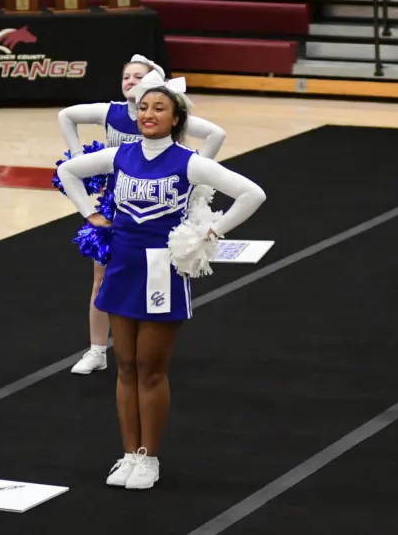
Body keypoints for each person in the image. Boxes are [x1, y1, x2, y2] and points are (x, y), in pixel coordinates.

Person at [56, 80, 265, 490]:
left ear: (176, 118)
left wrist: (212, 231)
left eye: (158, 108)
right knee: (125, 367)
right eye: (143, 107)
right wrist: (90, 213)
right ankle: (128, 454)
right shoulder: (120, 155)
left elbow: (251, 193)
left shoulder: (189, 162)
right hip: (121, 266)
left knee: (150, 369)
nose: (148, 114)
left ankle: (148, 457)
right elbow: (67, 171)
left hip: (160, 272)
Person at [57, 54, 227, 375]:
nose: (131, 82)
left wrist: (196, 181)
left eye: (139, 77)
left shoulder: (166, 112)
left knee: (155, 274)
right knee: (102, 279)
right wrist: (79, 157)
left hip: (159, 209)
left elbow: (216, 134)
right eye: (127, 77)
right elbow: (66, 116)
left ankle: (147, 348)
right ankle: (97, 350)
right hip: (116, 208)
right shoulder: (111, 112)